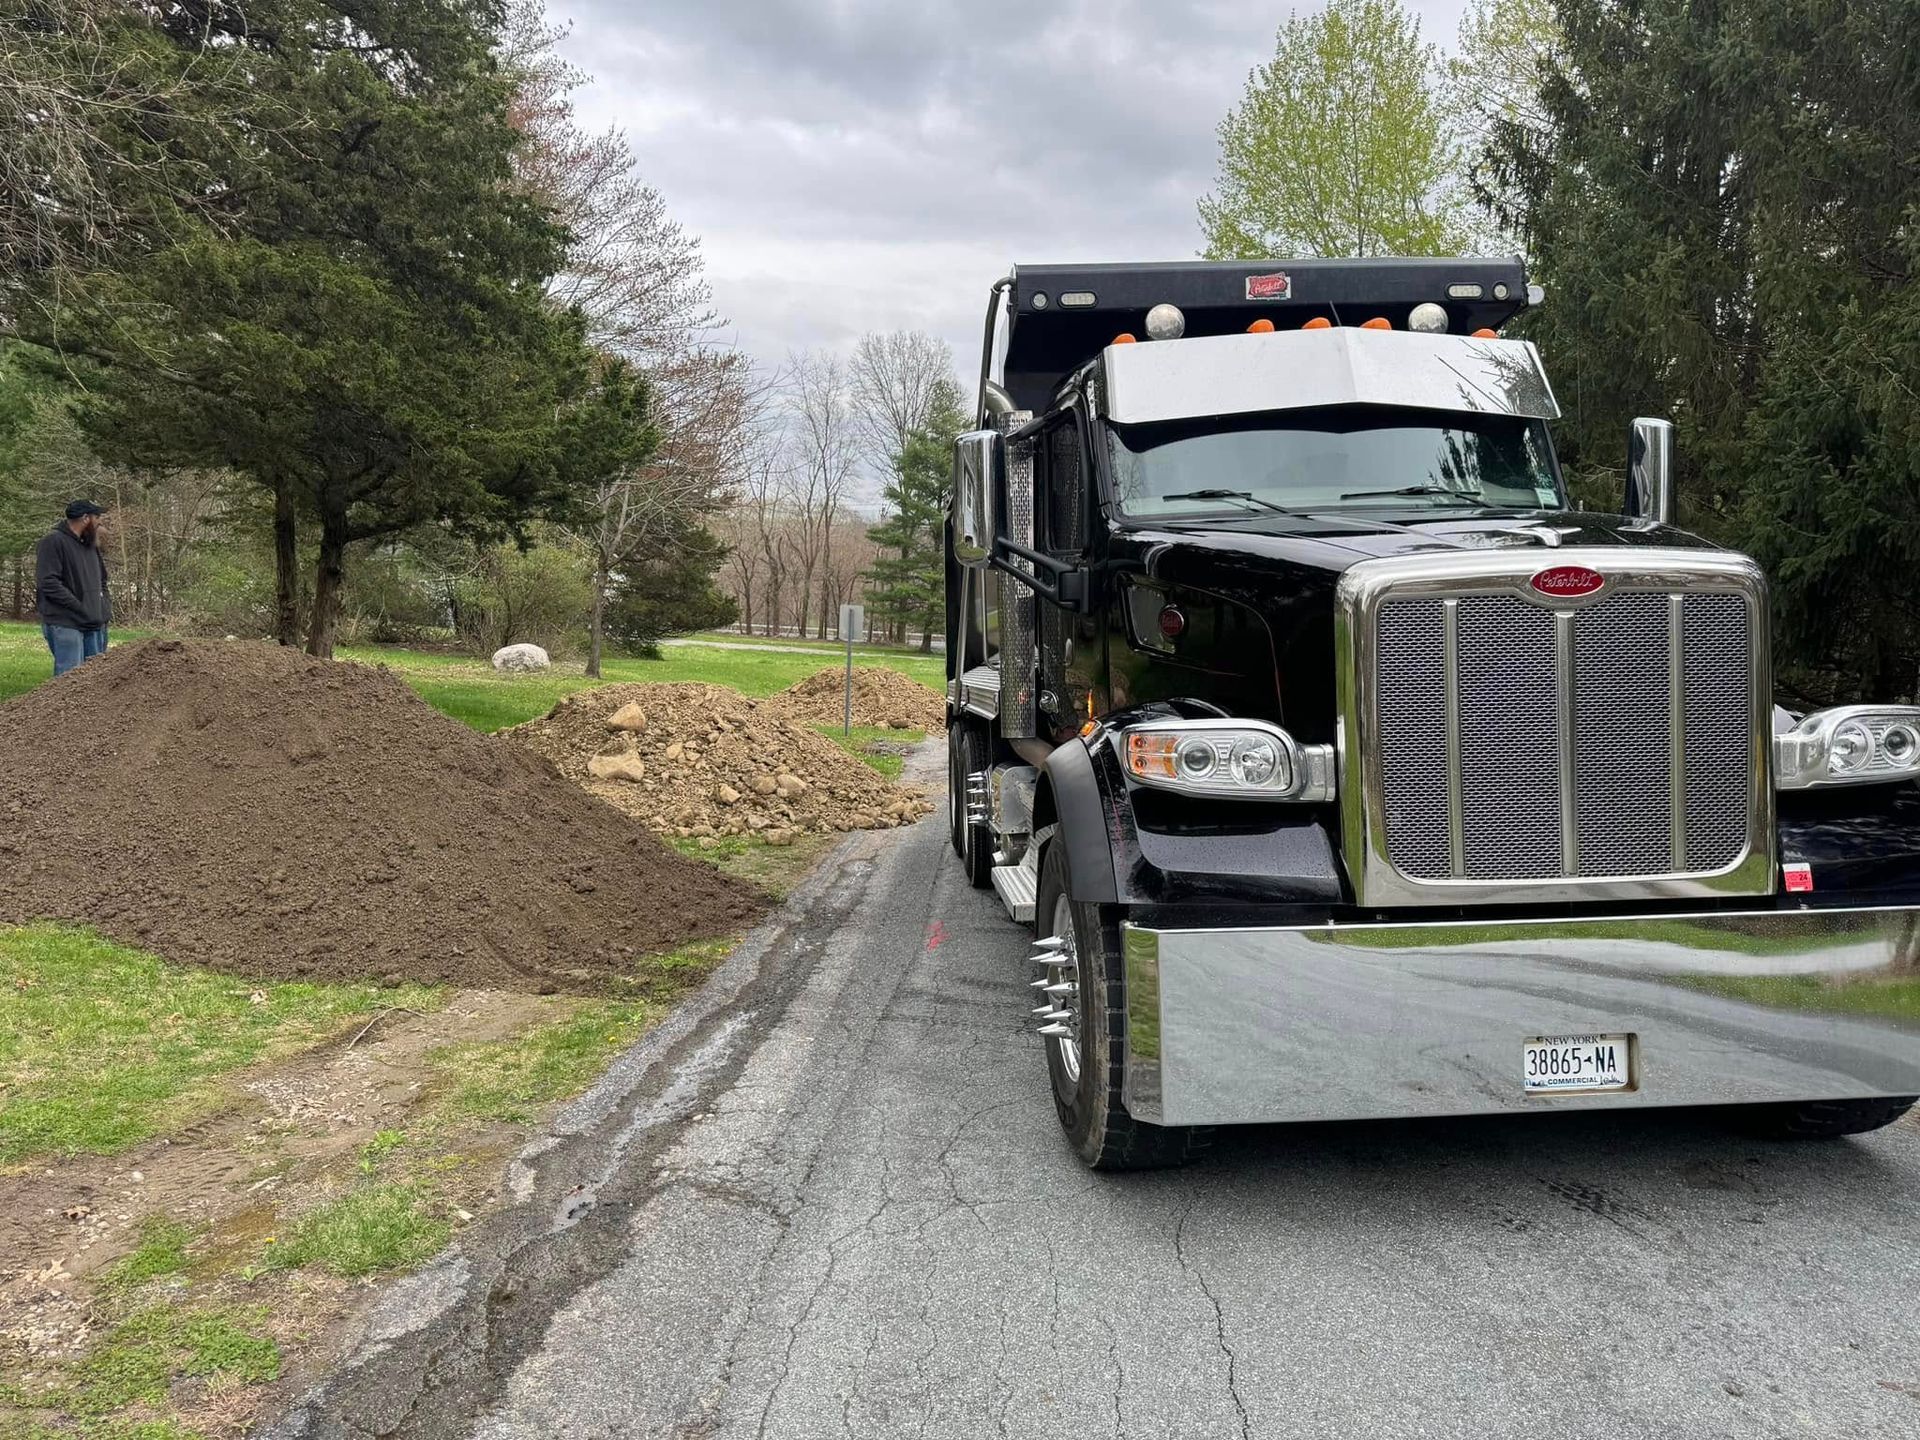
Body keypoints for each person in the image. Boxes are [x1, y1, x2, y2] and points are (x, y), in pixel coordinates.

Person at [35, 500, 111, 677]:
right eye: (96, 517)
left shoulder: (90, 546)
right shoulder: (53, 542)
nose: (99, 522)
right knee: (68, 681)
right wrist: (78, 606)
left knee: (95, 680)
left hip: (94, 623)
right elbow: (48, 583)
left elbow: (102, 580)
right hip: (66, 623)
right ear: (85, 518)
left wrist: (104, 609)